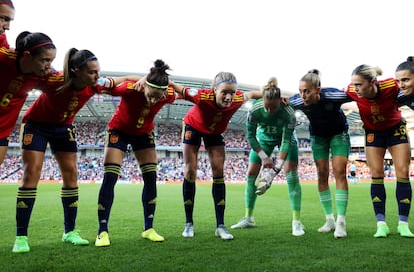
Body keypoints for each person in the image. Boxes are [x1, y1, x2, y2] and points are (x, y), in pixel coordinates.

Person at [12, 48, 137, 253]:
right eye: (92, 72)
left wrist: (142, 81)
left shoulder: (96, 85)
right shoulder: (54, 80)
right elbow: (27, 77)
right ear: (76, 71)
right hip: (36, 125)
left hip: (63, 128)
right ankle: (21, 237)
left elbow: (124, 79)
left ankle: (69, 232)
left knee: (71, 175)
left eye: (98, 71)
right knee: (31, 173)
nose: (97, 76)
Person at [95, 59, 184, 246]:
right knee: (110, 177)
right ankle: (102, 232)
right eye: (151, 95)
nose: (153, 101)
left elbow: (177, 89)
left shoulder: (167, 94)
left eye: (157, 97)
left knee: (151, 177)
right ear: (144, 86)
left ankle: (149, 228)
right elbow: (107, 85)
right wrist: (132, 77)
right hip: (118, 131)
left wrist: (152, 80)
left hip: (144, 134)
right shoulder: (130, 88)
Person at [180, 71, 262, 240]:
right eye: (224, 92)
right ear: (214, 90)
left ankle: (220, 226)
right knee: (190, 171)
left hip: (214, 131)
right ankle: (189, 223)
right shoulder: (203, 97)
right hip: (193, 126)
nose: (228, 97)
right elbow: (177, 88)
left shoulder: (238, 99)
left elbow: (254, 94)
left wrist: (277, 96)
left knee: (219, 172)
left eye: (232, 92)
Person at [230, 77, 304, 236]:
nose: (270, 110)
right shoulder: (254, 110)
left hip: (286, 140)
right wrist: (264, 157)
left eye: (274, 107)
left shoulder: (289, 113)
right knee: (251, 173)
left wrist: (274, 170)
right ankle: (248, 218)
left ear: (280, 101)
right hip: (263, 139)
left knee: (291, 174)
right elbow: (250, 136)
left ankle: (296, 222)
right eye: (267, 107)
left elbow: (286, 141)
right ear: (262, 99)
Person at [347, 64, 414, 238]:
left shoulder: (391, 85)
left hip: (395, 129)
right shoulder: (352, 91)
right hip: (373, 132)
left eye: (359, 84)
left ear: (372, 82)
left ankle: (403, 224)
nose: (356, 88)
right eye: (354, 84)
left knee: (403, 171)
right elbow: (330, 95)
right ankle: (381, 224)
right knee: (376, 173)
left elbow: (407, 92)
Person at [290, 69, 350, 238]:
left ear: (318, 89)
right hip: (317, 137)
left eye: (307, 91)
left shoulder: (333, 95)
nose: (303, 95)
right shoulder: (297, 100)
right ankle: (329, 219)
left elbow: (356, 94)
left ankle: (341, 222)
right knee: (322, 174)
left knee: (339, 172)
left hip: (339, 134)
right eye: (301, 91)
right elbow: (281, 104)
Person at [0, 31, 55, 173]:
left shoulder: (45, 76)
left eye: (51, 61)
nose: (49, 66)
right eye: (44, 60)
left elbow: (74, 82)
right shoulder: (3, 57)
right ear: (27, 56)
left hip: (1, 133)